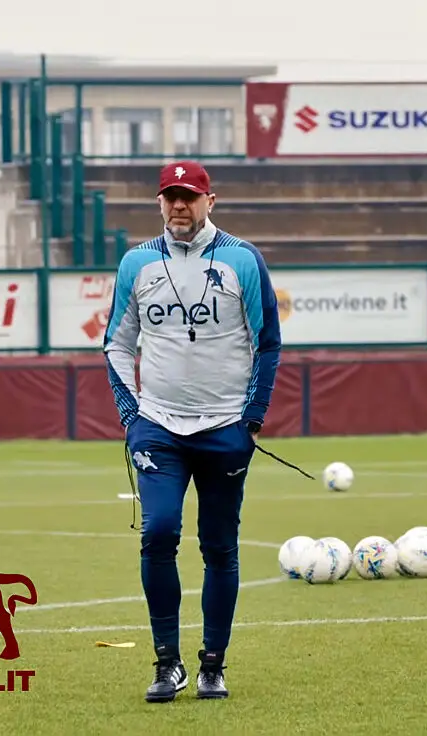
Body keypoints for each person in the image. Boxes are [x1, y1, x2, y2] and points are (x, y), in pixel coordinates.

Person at [102, 160, 282, 703]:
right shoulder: (135, 262)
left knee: (219, 547)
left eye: (190, 196)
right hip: (158, 426)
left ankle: (212, 665)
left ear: (211, 201)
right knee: (158, 532)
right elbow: (116, 342)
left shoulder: (242, 259)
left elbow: (268, 343)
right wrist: (131, 417)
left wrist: (251, 419)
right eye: (170, 197)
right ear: (159, 203)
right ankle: (166, 663)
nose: (180, 206)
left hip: (226, 426)